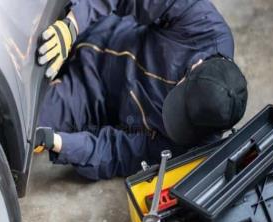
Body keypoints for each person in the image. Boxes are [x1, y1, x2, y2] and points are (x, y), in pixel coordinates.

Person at [35, 0, 248, 180]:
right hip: (105, 23)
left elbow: (117, 153)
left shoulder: (190, 141)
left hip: (88, 94)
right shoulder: (204, 26)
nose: (173, 115)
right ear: (196, 64)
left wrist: (58, 143)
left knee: (28, 126)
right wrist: (73, 23)